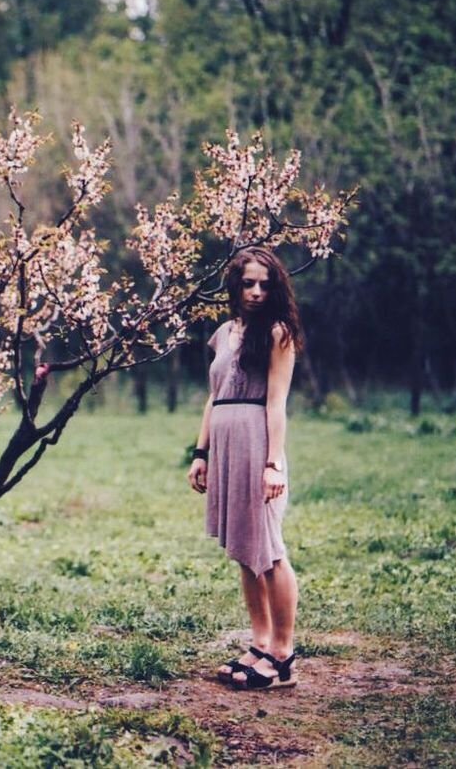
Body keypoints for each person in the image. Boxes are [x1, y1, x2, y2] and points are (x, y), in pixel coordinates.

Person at [186, 246, 303, 690]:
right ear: (235, 285)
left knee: (269, 551)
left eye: (264, 285)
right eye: (248, 283)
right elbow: (214, 397)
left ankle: (282, 653)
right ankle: (259, 642)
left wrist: (273, 464)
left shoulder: (278, 333)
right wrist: (201, 453)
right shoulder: (224, 333)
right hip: (226, 444)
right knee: (243, 549)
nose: (255, 292)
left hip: (257, 442)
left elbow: (276, 403)